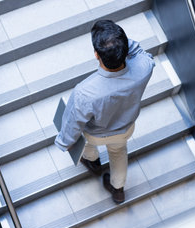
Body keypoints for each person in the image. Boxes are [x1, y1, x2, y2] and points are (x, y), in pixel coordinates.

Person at [54, 20, 155, 204]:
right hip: (125, 129)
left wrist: (64, 143)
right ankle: (118, 190)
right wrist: (119, 43)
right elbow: (139, 51)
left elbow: (73, 124)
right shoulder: (144, 67)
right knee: (118, 154)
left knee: (87, 145)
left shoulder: (84, 92)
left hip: (95, 134)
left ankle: (92, 162)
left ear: (96, 55)